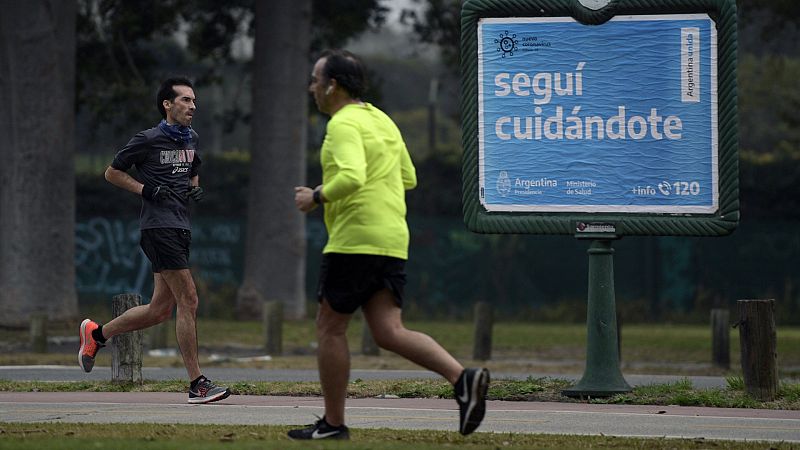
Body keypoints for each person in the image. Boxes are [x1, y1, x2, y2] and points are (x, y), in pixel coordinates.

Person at [291, 50, 490, 440]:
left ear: (333, 85)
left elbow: (351, 177)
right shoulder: (382, 120)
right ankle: (462, 378)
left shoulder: (343, 124)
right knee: (387, 330)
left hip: (355, 241)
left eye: (315, 80)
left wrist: (314, 197)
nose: (311, 87)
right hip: (392, 239)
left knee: (330, 328)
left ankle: (332, 424)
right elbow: (409, 178)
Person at [78, 77, 230, 405]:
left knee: (160, 310)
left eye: (194, 101)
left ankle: (96, 334)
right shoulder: (148, 139)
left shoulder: (192, 138)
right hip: (157, 228)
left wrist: (193, 185)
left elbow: (193, 167)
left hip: (180, 226)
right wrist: (145, 190)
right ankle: (197, 384)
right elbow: (112, 173)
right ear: (167, 104)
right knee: (189, 299)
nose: (193, 106)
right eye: (186, 100)